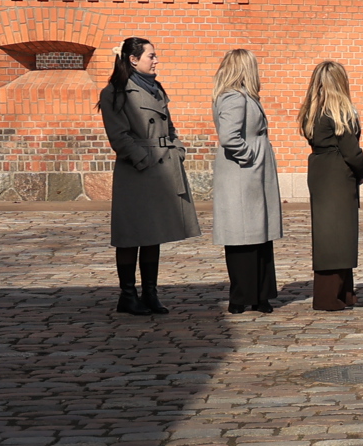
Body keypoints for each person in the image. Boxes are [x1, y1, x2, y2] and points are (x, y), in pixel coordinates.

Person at [97, 37, 201, 315]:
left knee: (153, 233)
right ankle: (127, 295)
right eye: (151, 56)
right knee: (131, 234)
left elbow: (170, 127)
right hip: (137, 172)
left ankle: (150, 294)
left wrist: (177, 149)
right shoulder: (116, 92)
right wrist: (143, 159)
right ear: (133, 59)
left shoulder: (155, 89)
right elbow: (118, 136)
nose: (156, 60)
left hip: (162, 168)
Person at [209, 48, 281, 315]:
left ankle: (260, 294)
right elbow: (229, 137)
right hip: (243, 174)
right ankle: (243, 296)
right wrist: (249, 155)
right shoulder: (234, 98)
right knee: (243, 236)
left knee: (258, 235)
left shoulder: (241, 96)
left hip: (250, 174)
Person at [299, 60, 363, 311]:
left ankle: (344, 292)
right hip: (338, 173)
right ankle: (329, 296)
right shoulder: (338, 111)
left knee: (331, 232)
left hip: (320, 170)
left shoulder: (312, 110)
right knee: (337, 235)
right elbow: (351, 150)